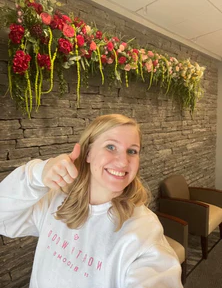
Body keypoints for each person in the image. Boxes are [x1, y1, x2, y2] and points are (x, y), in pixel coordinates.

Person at [0, 114, 183, 288]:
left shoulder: (143, 228)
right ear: (87, 153)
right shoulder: (55, 201)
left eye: (132, 151)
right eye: (111, 147)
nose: (123, 161)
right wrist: (38, 174)